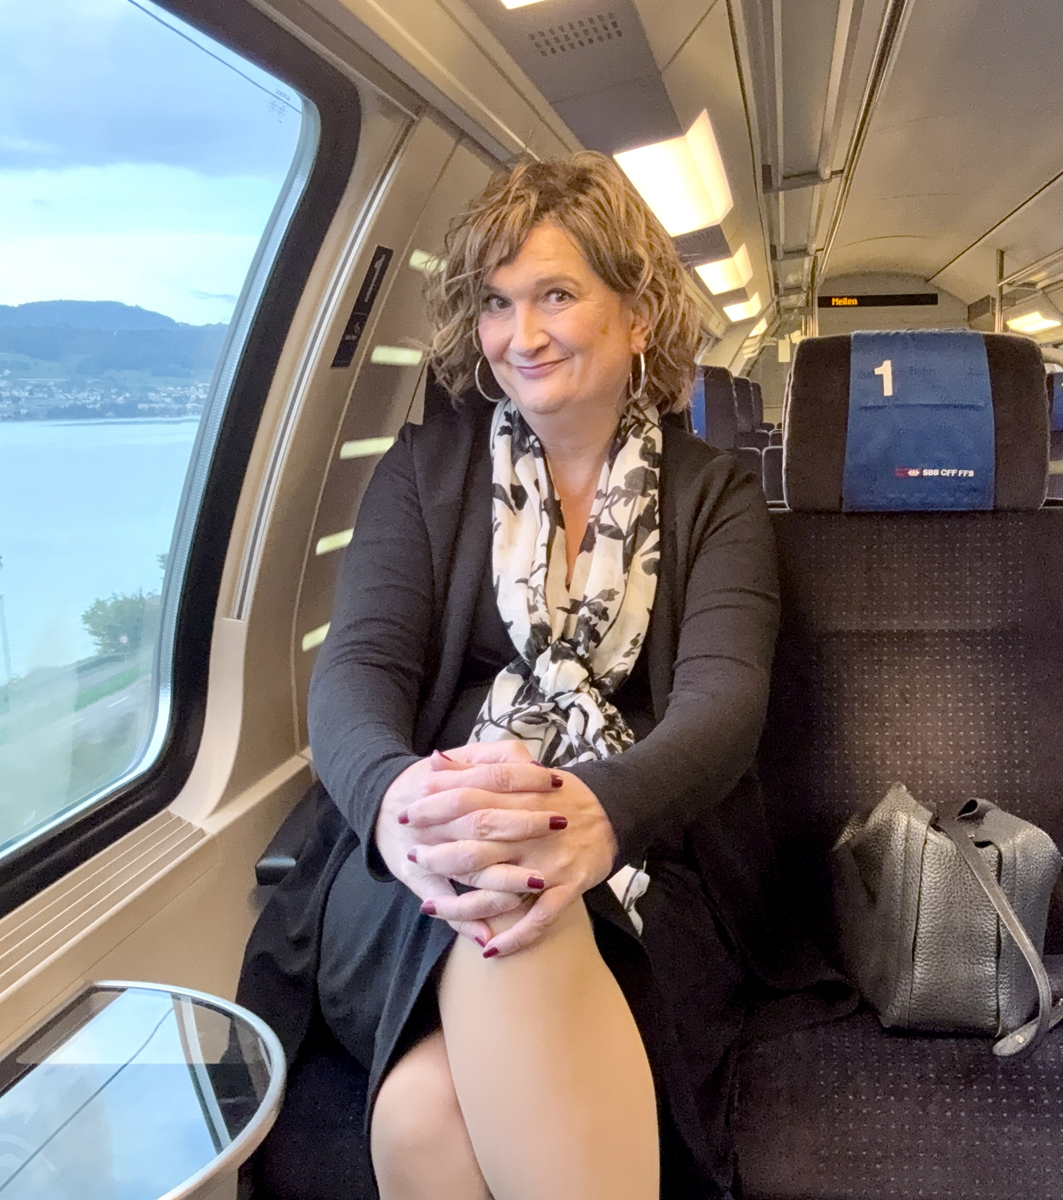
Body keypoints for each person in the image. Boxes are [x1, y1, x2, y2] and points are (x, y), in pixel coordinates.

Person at [239, 151, 843, 1200]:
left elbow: (723, 704)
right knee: (504, 891)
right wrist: (397, 803)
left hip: (638, 850)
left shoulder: (717, 497)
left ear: (639, 314)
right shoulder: (420, 475)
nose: (521, 335)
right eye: (496, 302)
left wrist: (595, 815)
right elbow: (356, 673)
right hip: (420, 856)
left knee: (424, 1119)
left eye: (556, 295)